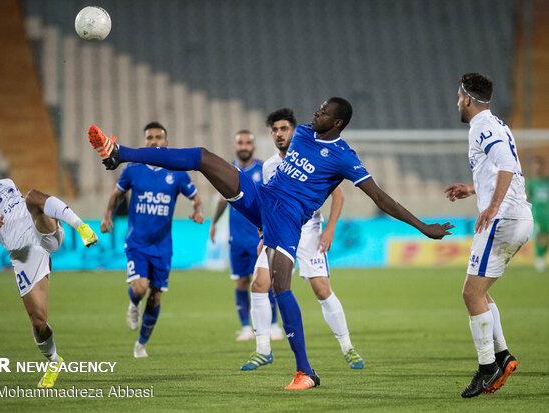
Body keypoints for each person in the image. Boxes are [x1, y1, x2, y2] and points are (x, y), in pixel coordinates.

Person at [89, 97, 452, 389]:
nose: (317, 112)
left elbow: (381, 198)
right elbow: (289, 147)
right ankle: (119, 152)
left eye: (325, 111)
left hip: (287, 220)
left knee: (281, 286)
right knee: (202, 157)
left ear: (338, 122)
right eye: (319, 108)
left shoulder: (345, 157)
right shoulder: (306, 132)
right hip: (263, 198)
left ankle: (305, 372)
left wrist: (423, 227)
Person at [0, 144, 98, 388]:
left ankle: (81, 227)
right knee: (39, 322)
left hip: (41, 231)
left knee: (32, 197)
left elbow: (32, 207)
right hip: (24, 255)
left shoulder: (6, 183)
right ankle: (53, 360)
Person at [240, 108, 363, 371]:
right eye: (274, 130)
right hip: (279, 229)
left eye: (284, 129)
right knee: (259, 284)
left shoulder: (311, 153)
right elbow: (267, 202)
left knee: (321, 289)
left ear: (294, 131)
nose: (279, 134)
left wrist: (329, 229)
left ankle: (347, 347)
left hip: (309, 231)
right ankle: (263, 349)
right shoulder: (270, 166)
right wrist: (262, 233)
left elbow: (337, 194)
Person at [444, 73, 533, 398]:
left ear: (467, 99)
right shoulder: (497, 124)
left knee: (470, 294)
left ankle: (487, 368)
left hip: (504, 217)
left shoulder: (481, 126)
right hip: (518, 216)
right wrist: (473, 189)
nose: (457, 102)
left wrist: (492, 205)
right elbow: (501, 168)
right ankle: (502, 356)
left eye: (458, 97)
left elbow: (508, 165)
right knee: (481, 293)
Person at [100, 122, 204, 358]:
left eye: (158, 137)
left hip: (163, 245)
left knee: (156, 295)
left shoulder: (177, 172)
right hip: (137, 242)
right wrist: (106, 217)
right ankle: (133, 303)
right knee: (140, 287)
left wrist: (197, 210)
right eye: (149, 138)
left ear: (166, 142)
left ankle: (141, 344)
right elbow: (117, 194)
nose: (154, 141)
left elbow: (195, 197)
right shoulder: (133, 169)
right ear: (145, 141)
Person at [209, 130, 283, 341]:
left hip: (260, 238)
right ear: (235, 146)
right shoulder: (229, 170)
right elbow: (224, 199)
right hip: (237, 239)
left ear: (253, 146)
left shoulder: (264, 169)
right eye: (240, 142)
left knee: (266, 282)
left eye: (247, 143)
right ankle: (245, 328)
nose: (243, 146)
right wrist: (213, 222)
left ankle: (273, 325)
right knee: (241, 283)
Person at [526, 156, 549, 272]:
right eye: (535, 165)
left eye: (539, 164)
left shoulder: (547, 182)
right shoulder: (531, 183)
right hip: (538, 215)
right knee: (541, 237)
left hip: (548, 213)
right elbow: (528, 199)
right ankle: (540, 259)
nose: (537, 167)